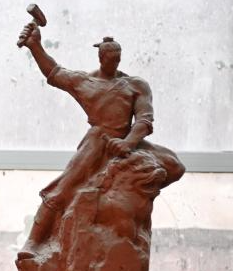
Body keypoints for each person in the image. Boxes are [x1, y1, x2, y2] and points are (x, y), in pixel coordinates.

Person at [17, 26, 184, 257]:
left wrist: (128, 143)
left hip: (128, 140)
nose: (115, 63)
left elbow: (144, 120)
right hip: (97, 142)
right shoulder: (85, 82)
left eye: (118, 59)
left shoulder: (136, 85)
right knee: (62, 189)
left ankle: (127, 203)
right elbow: (54, 72)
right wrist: (35, 46)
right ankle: (34, 243)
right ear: (101, 57)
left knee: (175, 166)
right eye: (110, 59)